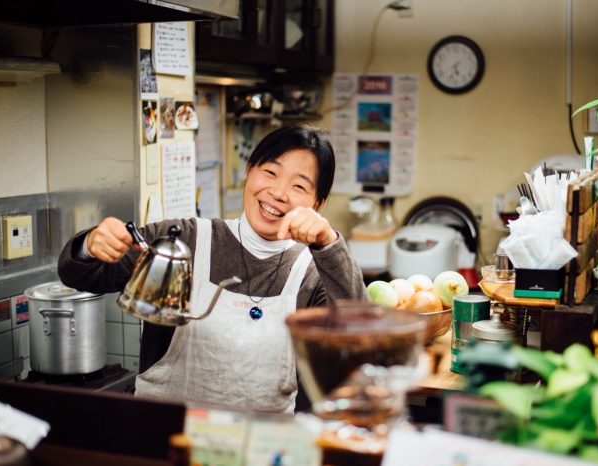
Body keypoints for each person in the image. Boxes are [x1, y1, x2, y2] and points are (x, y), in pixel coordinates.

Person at [58, 125, 367, 413]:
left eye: (299, 186)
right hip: (165, 437)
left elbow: (360, 336)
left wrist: (329, 243)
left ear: (317, 203)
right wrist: (92, 244)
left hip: (260, 449)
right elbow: (80, 274)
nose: (278, 193)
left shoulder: (312, 273)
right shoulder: (185, 239)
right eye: (270, 172)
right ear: (250, 170)